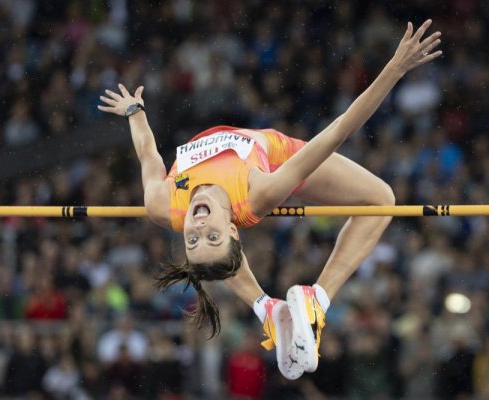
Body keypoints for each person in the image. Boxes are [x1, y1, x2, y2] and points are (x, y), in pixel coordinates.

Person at [98, 19, 442, 380]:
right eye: (211, 236)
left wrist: (135, 113)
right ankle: (318, 299)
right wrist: (394, 69)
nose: (198, 227)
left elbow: (149, 156)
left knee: (213, 258)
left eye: (193, 238)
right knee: (382, 198)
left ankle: (268, 308)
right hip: (281, 157)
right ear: (233, 230)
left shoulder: (163, 205)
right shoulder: (258, 194)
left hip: (252, 166)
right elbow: (340, 129)